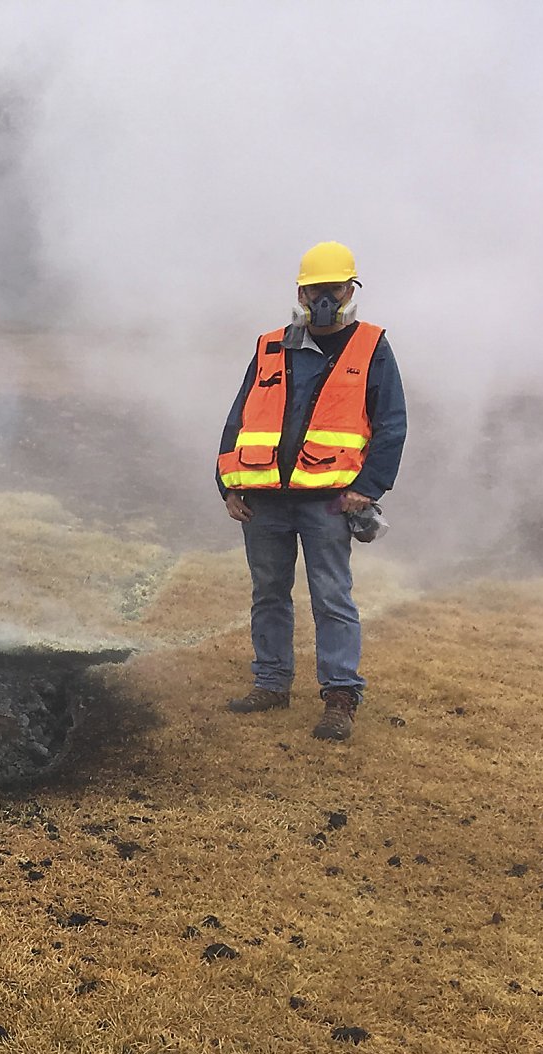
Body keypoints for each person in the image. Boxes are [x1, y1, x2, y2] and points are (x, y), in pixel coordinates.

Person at [215, 241, 407, 741]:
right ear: (301, 292)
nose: (325, 298)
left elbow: (391, 425)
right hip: (264, 500)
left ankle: (340, 695)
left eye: (334, 288)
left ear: (350, 290)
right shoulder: (270, 345)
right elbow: (240, 419)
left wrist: (368, 488)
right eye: (316, 289)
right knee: (269, 594)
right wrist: (227, 485)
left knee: (331, 596)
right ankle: (272, 684)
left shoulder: (371, 346)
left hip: (328, 500)